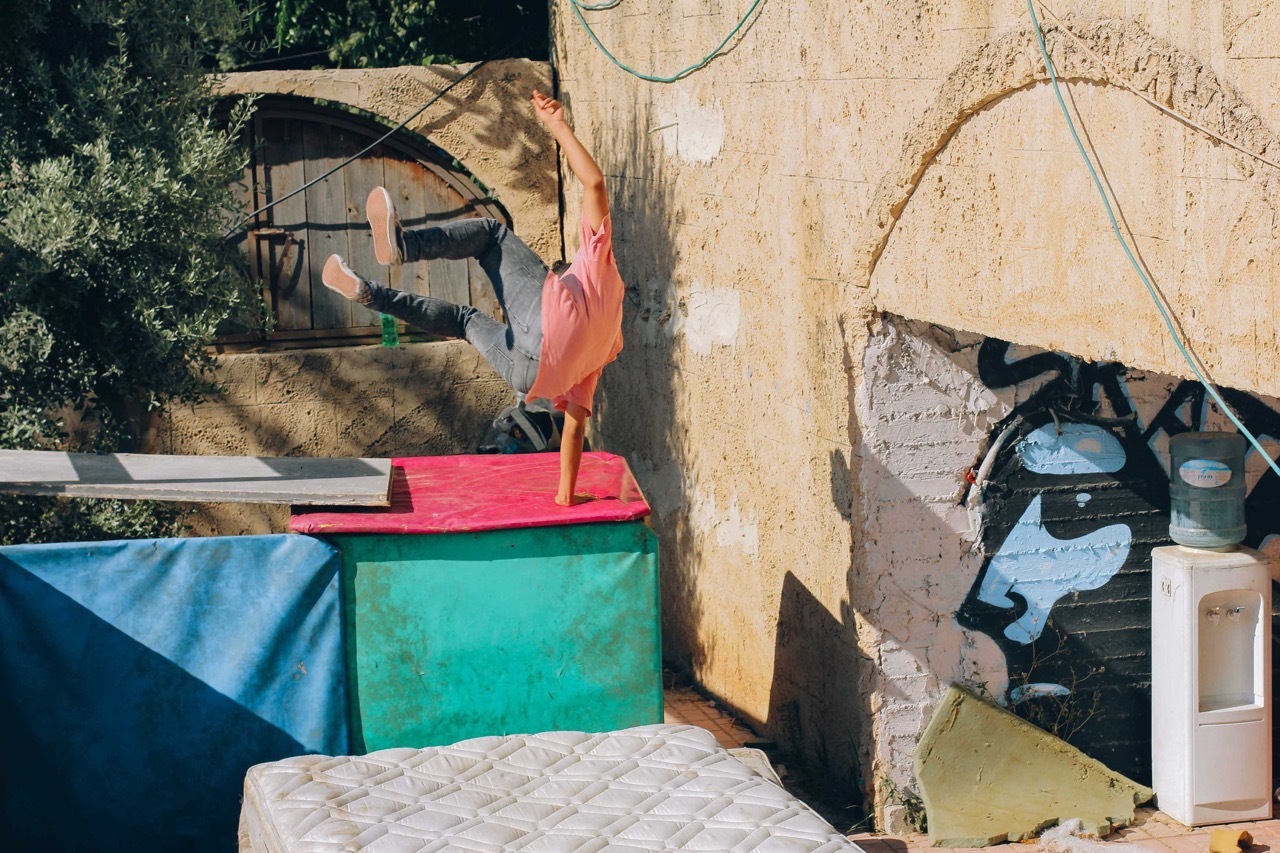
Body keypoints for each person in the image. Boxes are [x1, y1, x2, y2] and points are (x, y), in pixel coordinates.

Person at [321, 90, 623, 506]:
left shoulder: (598, 259)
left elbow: (594, 182)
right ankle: (370, 294)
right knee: (465, 321)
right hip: (528, 379)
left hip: (549, 325)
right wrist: (564, 497)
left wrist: (556, 124)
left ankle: (404, 246)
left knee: (490, 235)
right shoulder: (600, 354)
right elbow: (574, 430)